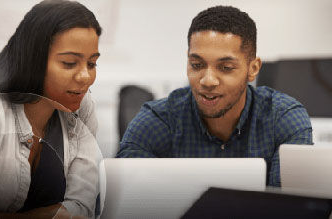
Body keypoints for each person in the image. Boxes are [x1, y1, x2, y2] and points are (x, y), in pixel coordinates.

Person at [0, 0, 103, 218]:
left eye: (91, 64)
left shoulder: (83, 107)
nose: (85, 77)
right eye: (69, 63)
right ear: (35, 59)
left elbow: (81, 206)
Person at [116, 5, 313, 187]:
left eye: (226, 68)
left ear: (253, 69)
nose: (207, 80)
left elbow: (295, 207)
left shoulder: (283, 118)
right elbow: (121, 202)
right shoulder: (156, 121)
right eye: (197, 65)